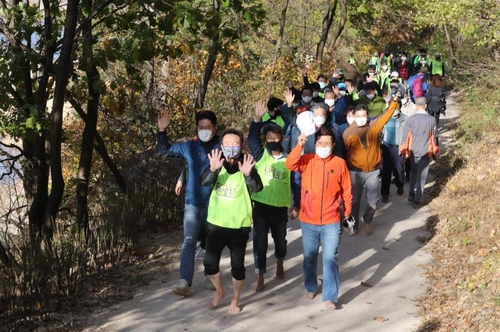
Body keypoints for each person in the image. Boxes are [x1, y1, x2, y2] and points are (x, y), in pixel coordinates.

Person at [285, 127, 352, 309]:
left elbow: (346, 189)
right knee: (310, 257)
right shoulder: (306, 160)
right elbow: (290, 164)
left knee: (331, 257)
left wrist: (348, 212)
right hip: (308, 220)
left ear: (333, 145)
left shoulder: (339, 163)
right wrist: (299, 146)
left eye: (327, 143)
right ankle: (311, 286)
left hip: (331, 220)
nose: (323, 146)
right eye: (320, 143)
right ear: (315, 144)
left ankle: (330, 296)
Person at [157, 107, 220, 296]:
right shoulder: (189, 147)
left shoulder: (222, 146)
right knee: (189, 240)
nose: (204, 130)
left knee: (211, 241)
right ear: (197, 128)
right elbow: (165, 151)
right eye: (201, 127)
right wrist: (162, 132)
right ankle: (185, 281)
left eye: (208, 127)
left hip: (215, 203)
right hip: (192, 203)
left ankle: (211, 274)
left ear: (215, 128)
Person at [201, 129, 263, 313]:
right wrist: (212, 169)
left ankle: (235, 300)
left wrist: (248, 174)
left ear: (241, 145)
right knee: (210, 265)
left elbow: (257, 188)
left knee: (238, 267)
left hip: (238, 226)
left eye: (235, 144)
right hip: (215, 224)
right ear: (221, 145)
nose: (231, 147)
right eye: (227, 144)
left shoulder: (247, 162)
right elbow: (203, 182)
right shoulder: (216, 161)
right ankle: (220, 291)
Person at [248, 101, 293, 292]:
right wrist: (257, 120)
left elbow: (297, 184)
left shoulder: (289, 159)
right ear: (265, 140)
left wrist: (297, 204)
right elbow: (251, 140)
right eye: (269, 138)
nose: (272, 140)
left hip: (280, 207)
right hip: (260, 206)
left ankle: (280, 261)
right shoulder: (260, 155)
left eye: (276, 137)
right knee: (259, 242)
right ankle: (260, 275)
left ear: (282, 138)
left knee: (280, 241)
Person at [343, 98, 399, 235]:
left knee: (373, 201)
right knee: (354, 201)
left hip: (373, 171)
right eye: (358, 116)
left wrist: (394, 103)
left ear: (367, 115)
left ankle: (367, 220)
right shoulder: (348, 133)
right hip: (355, 171)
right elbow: (345, 153)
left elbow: (386, 115)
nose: (361, 118)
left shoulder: (374, 125)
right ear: (354, 116)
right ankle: (352, 226)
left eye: (364, 115)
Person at [400, 97, 439, 209]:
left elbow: (404, 137)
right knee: (422, 176)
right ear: (425, 106)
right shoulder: (431, 120)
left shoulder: (410, 119)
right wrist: (435, 152)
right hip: (425, 151)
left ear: (416, 106)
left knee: (413, 172)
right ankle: (417, 200)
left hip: (412, 150)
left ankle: (411, 193)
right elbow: (435, 137)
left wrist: (403, 152)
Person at [380, 100, 406, 203]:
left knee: (399, 169)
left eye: (397, 107)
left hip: (398, 147)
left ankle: (400, 185)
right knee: (386, 171)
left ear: (400, 108)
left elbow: (407, 135)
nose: (395, 109)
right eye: (393, 107)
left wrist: (405, 150)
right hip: (386, 146)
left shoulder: (405, 119)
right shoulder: (384, 118)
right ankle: (385, 194)